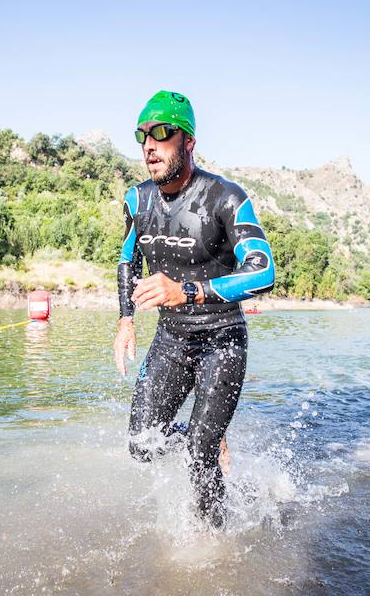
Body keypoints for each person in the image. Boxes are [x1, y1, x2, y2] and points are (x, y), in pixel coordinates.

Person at [113, 90, 275, 528]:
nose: (149, 145)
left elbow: (263, 272)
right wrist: (126, 319)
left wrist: (188, 291)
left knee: (200, 460)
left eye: (162, 133)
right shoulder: (137, 200)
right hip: (171, 340)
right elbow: (127, 260)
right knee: (142, 444)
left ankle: (214, 545)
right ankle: (204, 437)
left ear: (188, 142)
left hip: (221, 341)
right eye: (142, 135)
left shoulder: (226, 197)